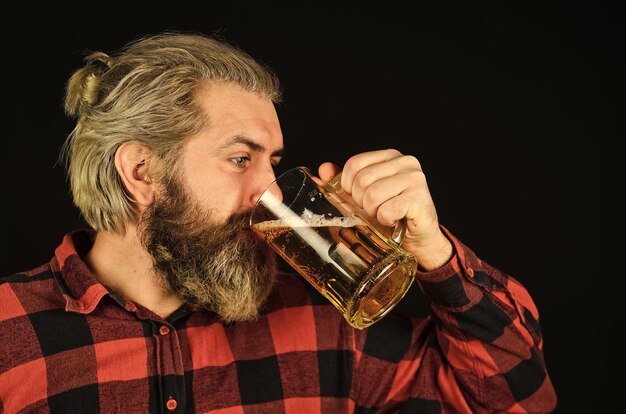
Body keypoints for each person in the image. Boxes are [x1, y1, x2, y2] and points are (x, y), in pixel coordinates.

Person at [0, 31, 557, 413]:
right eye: (241, 159)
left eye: (273, 162)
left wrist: (434, 252)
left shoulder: (321, 321)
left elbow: (519, 401)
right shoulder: (9, 333)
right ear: (142, 171)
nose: (270, 190)